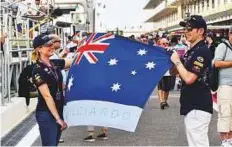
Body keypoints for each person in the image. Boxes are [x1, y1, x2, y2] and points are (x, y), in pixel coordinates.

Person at [170, 15, 213, 146]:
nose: (186, 32)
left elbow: (189, 78)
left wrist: (177, 61)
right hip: (192, 105)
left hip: (198, 105)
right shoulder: (192, 51)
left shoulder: (201, 51)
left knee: (198, 143)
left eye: (190, 29)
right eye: (185, 29)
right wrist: (172, 61)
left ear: (200, 31)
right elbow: (176, 72)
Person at [31, 34, 73, 146]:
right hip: (46, 113)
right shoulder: (37, 70)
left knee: (54, 144)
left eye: (52, 44)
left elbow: (74, 61)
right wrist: (58, 118)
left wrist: (87, 52)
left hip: (58, 109)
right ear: (39, 49)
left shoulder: (54, 63)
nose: (52, 46)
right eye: (47, 45)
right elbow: (47, 96)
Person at [214, 28, 232, 146]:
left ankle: (230, 139)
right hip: (225, 85)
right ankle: (225, 140)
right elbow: (217, 63)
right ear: (230, 34)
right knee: (225, 113)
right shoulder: (222, 46)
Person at [158, 38, 176, 109]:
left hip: (169, 72)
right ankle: (161, 102)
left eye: (167, 43)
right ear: (160, 44)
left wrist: (172, 52)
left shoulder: (171, 51)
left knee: (167, 88)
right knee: (160, 86)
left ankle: (165, 101)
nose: (165, 45)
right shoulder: (157, 51)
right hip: (160, 71)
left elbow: (176, 58)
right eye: (163, 44)